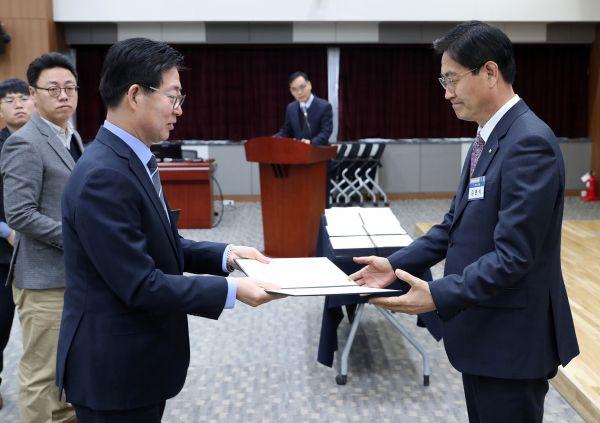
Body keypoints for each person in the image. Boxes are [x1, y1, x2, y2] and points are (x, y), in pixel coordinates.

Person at [350, 21, 579, 423]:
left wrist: (438, 294)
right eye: (443, 81)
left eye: (452, 79)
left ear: (489, 72)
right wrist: (394, 265)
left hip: (511, 340)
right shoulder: (489, 137)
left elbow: (513, 256)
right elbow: (453, 226)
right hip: (484, 328)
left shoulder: (528, 142)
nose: (447, 93)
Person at [56, 38, 283, 423]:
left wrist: (227, 256)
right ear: (135, 95)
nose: (179, 109)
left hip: (135, 363)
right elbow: (140, 284)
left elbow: (161, 243)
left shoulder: (129, 158)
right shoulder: (103, 176)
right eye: (172, 97)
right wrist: (232, 290)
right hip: (113, 372)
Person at [1, 53, 83, 423]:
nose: (63, 95)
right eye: (53, 89)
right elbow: (20, 214)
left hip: (72, 274)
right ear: (34, 94)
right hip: (42, 279)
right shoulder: (25, 142)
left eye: (69, 88)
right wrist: (79, 238)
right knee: (41, 373)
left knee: (68, 363)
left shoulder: (71, 136)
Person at [0, 78, 35, 410]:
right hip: (2, 254)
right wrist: (7, 231)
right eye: (9, 100)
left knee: (44, 327)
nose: (18, 104)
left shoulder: (46, 142)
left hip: (41, 254)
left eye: (23, 98)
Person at [275, 71, 333, 146]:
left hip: (317, 150)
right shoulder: (291, 108)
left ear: (309, 85)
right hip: (298, 151)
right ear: (291, 91)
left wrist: (310, 143)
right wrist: (274, 139)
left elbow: (325, 132)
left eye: (302, 87)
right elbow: (286, 131)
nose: (299, 92)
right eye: (294, 89)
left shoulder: (324, 106)